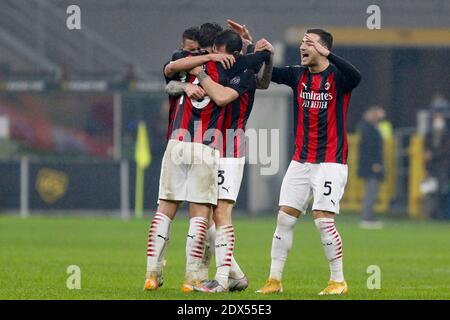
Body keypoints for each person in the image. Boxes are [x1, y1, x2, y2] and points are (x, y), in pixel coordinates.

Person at [164, 28, 272, 293]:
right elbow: (171, 75)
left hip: (230, 148)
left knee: (221, 213)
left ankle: (222, 281)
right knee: (207, 217)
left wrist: (200, 73)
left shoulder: (243, 74)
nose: (218, 60)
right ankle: (233, 274)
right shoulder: (221, 66)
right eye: (215, 55)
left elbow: (232, 93)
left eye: (222, 56)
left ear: (234, 56)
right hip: (208, 147)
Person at [256, 29, 361, 295]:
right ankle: (274, 280)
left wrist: (330, 56)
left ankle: (338, 281)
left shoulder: (338, 77)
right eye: (301, 42)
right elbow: (266, 76)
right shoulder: (297, 75)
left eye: (309, 43)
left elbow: (357, 76)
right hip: (301, 160)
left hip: (331, 161)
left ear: (323, 49)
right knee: (284, 218)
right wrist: (254, 49)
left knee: (323, 220)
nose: (302, 46)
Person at [358, 106, 385, 229]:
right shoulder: (368, 129)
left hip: (369, 165)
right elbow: (370, 149)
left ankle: (368, 216)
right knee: (371, 192)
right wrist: (374, 163)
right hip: (371, 166)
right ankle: (367, 218)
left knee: (371, 191)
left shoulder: (368, 128)